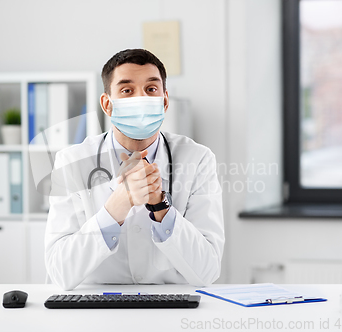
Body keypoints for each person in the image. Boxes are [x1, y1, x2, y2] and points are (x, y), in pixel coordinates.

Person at [45, 49, 224, 290]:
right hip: (95, 310)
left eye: (151, 89)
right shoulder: (72, 161)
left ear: (165, 101)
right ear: (107, 104)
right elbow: (60, 271)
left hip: (171, 309)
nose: (141, 99)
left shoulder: (198, 159)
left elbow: (207, 271)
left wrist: (161, 206)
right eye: (127, 91)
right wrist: (116, 207)